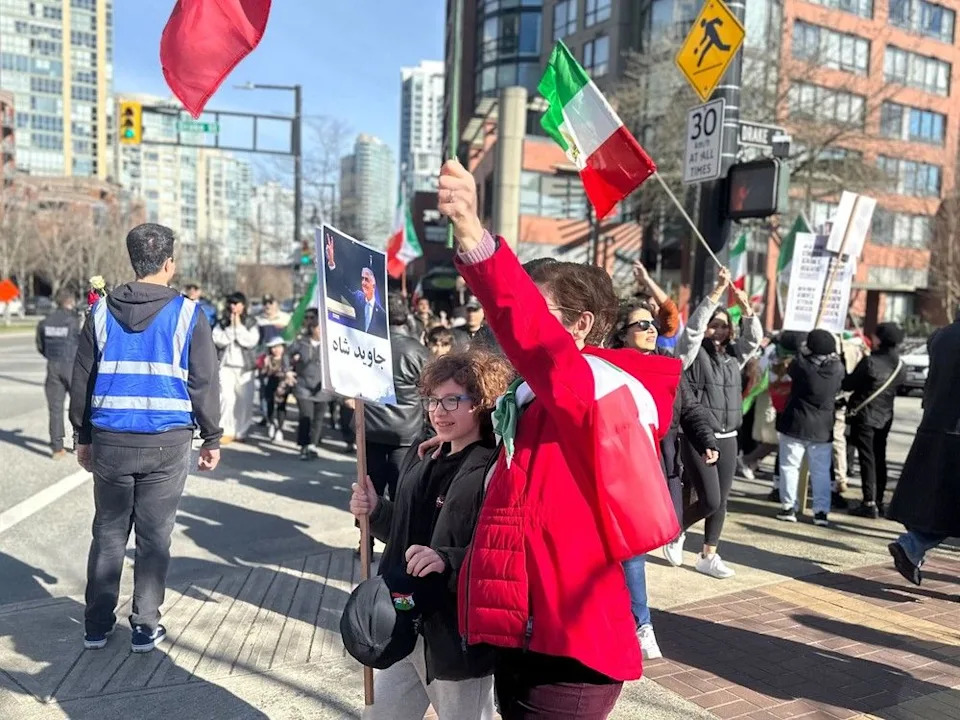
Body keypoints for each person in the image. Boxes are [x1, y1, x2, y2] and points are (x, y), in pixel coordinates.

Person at [437, 159, 681, 718]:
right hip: (532, 632)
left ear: (580, 326)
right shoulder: (548, 399)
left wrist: (474, 236)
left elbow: (533, 341)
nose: (507, 334)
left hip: (570, 648)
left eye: (536, 314)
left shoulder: (591, 387)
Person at [69, 223, 221, 653]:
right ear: (169, 263)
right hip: (167, 441)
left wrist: (83, 436)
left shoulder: (99, 311)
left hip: (111, 438)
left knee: (109, 533)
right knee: (155, 537)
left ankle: (96, 626)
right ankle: (145, 624)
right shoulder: (190, 313)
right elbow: (204, 382)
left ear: (132, 261)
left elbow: (83, 378)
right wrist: (212, 437)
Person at [350, 349, 513, 720]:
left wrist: (447, 559)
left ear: (482, 403)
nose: (439, 410)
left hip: (454, 634)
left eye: (453, 400)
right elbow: (402, 534)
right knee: (382, 716)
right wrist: (375, 511)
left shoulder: (495, 467)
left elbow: (502, 551)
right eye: (433, 400)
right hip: (402, 618)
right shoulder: (421, 456)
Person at [611, 300, 718, 660]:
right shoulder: (607, 369)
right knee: (629, 551)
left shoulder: (667, 368)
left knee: (633, 548)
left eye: (651, 324)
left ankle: (636, 621)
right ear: (620, 335)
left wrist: (705, 440)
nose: (651, 329)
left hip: (656, 467)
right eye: (640, 325)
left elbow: (689, 409)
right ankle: (641, 624)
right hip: (616, 468)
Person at [676, 267, 763, 579]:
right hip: (699, 435)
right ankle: (673, 530)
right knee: (708, 499)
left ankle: (708, 555)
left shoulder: (733, 358)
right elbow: (693, 330)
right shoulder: (692, 353)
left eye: (724, 327)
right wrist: (716, 293)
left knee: (721, 501)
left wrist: (747, 307)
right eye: (714, 326)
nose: (719, 331)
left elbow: (754, 338)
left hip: (730, 435)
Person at [887, 309, 960, 585]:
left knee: (941, 504)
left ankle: (912, 544)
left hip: (935, 426)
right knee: (946, 505)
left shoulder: (940, 337)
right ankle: (912, 544)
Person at [364, 294, 431, 501]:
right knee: (400, 491)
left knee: (368, 490)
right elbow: (431, 392)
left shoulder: (366, 344)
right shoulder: (418, 350)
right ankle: (397, 532)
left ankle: (366, 534)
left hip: (370, 427)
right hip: (406, 432)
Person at [774, 329, 845, 526]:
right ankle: (821, 511)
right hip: (823, 428)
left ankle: (789, 507)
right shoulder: (838, 368)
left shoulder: (802, 366)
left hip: (796, 423)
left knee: (790, 467)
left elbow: (795, 356)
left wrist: (801, 346)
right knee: (821, 471)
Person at [845, 322, 907, 518]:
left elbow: (848, 384)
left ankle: (868, 502)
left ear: (880, 339)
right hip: (886, 415)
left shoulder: (870, 362)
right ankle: (879, 501)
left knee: (867, 458)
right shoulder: (900, 365)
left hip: (865, 415)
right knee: (880, 457)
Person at [36, 288, 81, 459]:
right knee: (78, 406)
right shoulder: (75, 320)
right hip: (72, 366)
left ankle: (57, 448)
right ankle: (78, 443)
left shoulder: (45, 322)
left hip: (53, 366)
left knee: (55, 408)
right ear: (71, 302)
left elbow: (41, 347)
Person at [212, 292, 259, 443]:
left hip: (245, 368)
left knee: (244, 400)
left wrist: (238, 326)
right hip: (226, 366)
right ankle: (226, 430)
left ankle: (241, 431)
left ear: (243, 305)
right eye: (232, 303)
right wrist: (231, 327)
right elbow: (218, 340)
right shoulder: (222, 322)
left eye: (237, 304)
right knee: (226, 397)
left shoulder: (251, 322)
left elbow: (250, 341)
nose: (234, 307)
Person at [288, 309, 334, 459]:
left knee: (318, 418)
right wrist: (288, 371)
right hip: (303, 387)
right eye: (319, 328)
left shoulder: (330, 344)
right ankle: (303, 445)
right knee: (306, 416)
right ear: (313, 328)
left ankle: (313, 445)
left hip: (322, 388)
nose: (321, 331)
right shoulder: (301, 342)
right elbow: (286, 354)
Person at [324, 235, 387, 338]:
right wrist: (331, 262)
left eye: (367, 279)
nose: (363, 282)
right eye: (362, 278)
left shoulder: (382, 314)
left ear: (374, 283)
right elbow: (341, 287)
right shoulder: (358, 298)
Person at [258, 336, 291, 441]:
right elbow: (262, 373)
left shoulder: (287, 359)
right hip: (270, 384)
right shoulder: (267, 358)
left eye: (279, 347)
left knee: (281, 407)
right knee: (270, 405)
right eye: (274, 347)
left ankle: (280, 429)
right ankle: (272, 423)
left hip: (282, 385)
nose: (276, 350)